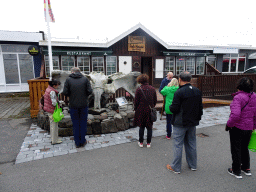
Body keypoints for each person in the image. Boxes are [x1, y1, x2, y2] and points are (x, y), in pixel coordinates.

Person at [166, 71, 203, 174]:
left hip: (180, 122)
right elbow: (200, 107)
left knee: (178, 145)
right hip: (192, 122)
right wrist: (198, 118)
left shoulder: (179, 92)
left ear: (180, 79)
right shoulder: (197, 91)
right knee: (191, 143)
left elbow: (174, 108)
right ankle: (193, 165)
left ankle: (176, 167)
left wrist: (170, 107)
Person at [226, 77, 256, 179]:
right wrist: (254, 126)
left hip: (237, 127)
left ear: (239, 86)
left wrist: (229, 124)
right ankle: (246, 168)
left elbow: (235, 115)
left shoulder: (238, 97)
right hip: (249, 127)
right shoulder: (254, 96)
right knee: (244, 148)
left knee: (236, 149)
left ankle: (236, 170)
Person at [62, 67, 93, 148]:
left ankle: (77, 142)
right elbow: (90, 91)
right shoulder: (85, 79)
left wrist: (71, 95)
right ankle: (82, 141)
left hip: (73, 105)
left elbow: (65, 92)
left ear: (72, 72)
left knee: (75, 124)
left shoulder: (68, 80)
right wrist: (84, 95)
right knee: (83, 123)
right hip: (83, 105)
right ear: (79, 72)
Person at [134, 74, 157, 148]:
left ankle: (141, 142)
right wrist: (152, 106)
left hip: (141, 110)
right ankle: (148, 143)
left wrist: (136, 109)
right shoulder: (152, 89)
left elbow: (136, 101)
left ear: (140, 81)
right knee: (149, 127)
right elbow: (155, 100)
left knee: (142, 127)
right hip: (149, 110)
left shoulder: (139, 89)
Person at [43, 79, 62, 145]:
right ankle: (54, 140)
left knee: (52, 124)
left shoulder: (48, 89)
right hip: (52, 110)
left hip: (48, 109)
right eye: (57, 85)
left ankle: (53, 138)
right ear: (54, 85)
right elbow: (54, 102)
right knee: (54, 125)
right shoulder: (52, 92)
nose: (58, 86)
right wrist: (59, 103)